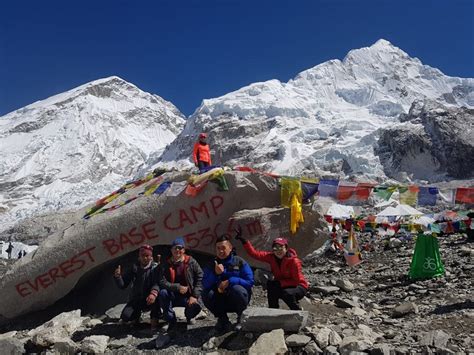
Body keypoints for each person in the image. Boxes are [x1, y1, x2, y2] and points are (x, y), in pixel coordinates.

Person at [235, 230, 308, 310]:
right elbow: (255, 254)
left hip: (299, 286)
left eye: (281, 247)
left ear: (286, 248)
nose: (278, 251)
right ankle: (273, 311)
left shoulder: (294, 261)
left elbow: (296, 281)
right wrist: (244, 241)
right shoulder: (271, 257)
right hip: (284, 284)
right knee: (271, 285)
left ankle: (297, 311)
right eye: (275, 248)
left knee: (286, 293)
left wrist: (280, 283)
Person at [202, 235, 254, 333]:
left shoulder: (239, 262)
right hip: (220, 300)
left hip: (237, 299)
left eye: (223, 248)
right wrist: (215, 274)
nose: (221, 251)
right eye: (218, 248)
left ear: (230, 248)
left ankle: (241, 318)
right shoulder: (212, 264)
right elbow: (204, 284)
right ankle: (223, 320)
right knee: (206, 293)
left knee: (238, 289)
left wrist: (231, 281)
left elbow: (250, 282)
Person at [158, 237, 203, 334]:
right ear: (171, 250)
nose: (177, 250)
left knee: (195, 305)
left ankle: (189, 316)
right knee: (163, 293)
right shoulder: (167, 263)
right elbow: (162, 281)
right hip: (173, 295)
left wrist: (194, 295)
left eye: (180, 248)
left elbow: (200, 277)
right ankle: (170, 320)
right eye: (175, 248)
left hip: (188, 295)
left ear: (184, 250)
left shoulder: (191, 262)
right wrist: (177, 287)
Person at [113, 244, 161, 330]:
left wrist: (153, 293)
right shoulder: (134, 268)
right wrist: (118, 277)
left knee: (157, 300)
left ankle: (155, 318)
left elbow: (157, 283)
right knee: (126, 316)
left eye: (147, 256)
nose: (145, 258)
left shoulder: (155, 268)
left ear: (151, 257)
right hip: (137, 299)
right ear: (139, 257)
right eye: (143, 256)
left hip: (151, 298)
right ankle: (136, 317)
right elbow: (123, 285)